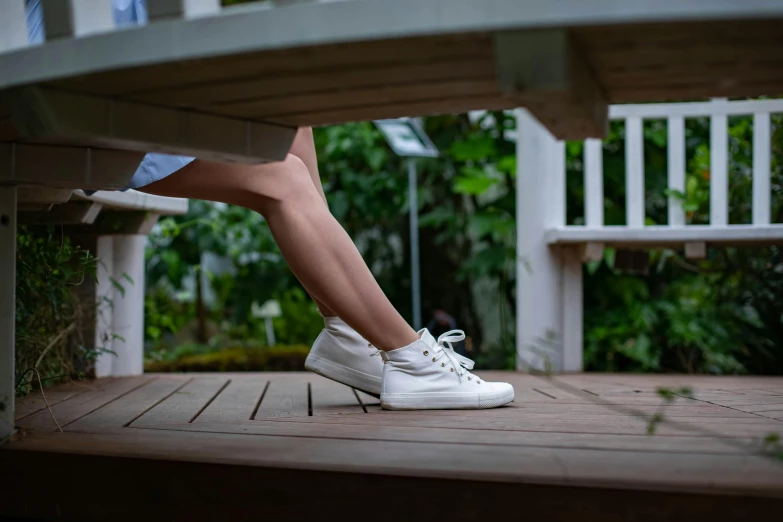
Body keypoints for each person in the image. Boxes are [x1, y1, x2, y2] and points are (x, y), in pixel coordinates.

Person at [23, 0, 514, 410]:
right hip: (64, 92)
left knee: (291, 122)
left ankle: (347, 332)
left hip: (91, 76)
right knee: (281, 177)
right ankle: (410, 358)